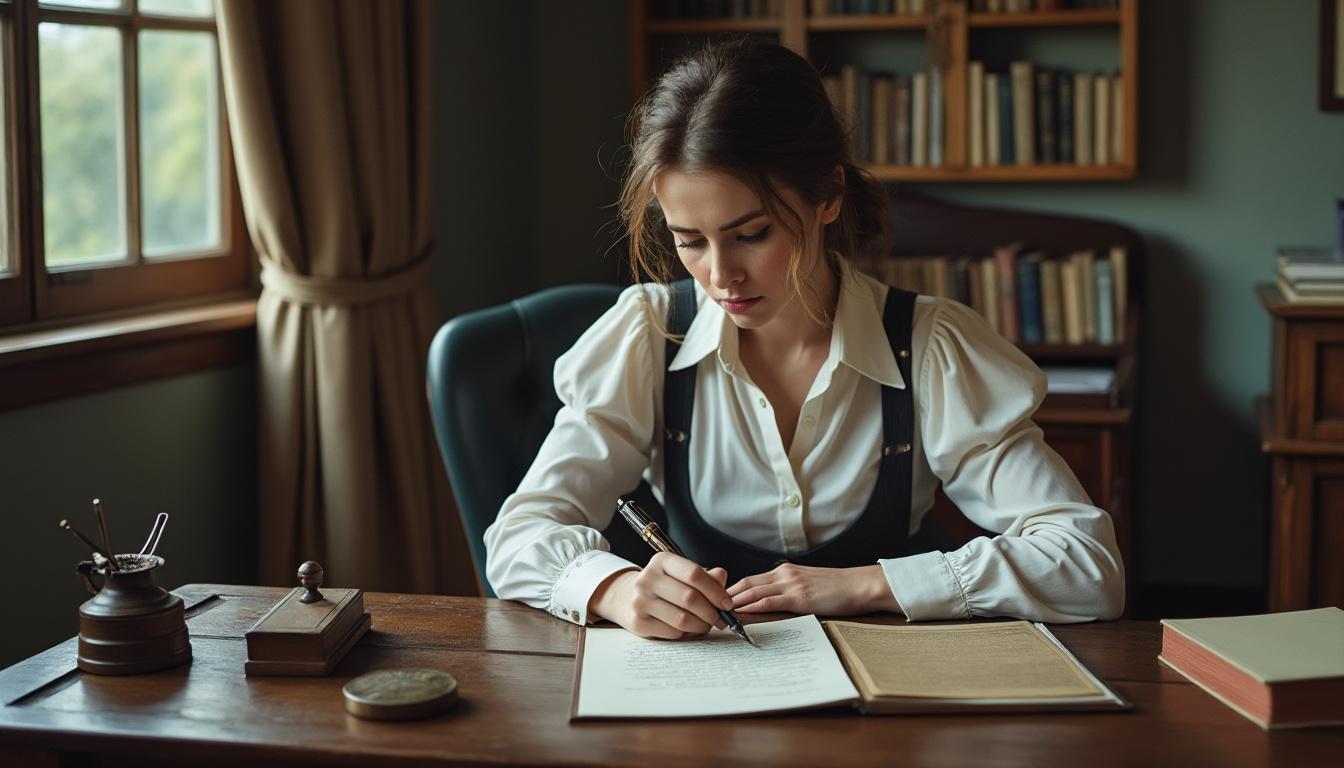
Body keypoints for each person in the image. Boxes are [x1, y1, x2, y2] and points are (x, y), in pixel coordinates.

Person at [483, 38, 1124, 640]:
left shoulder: (932, 345)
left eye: (752, 233)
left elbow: (1088, 566)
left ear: (829, 195)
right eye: (689, 241)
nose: (720, 274)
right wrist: (617, 589)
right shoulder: (648, 336)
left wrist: (868, 585)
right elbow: (518, 535)